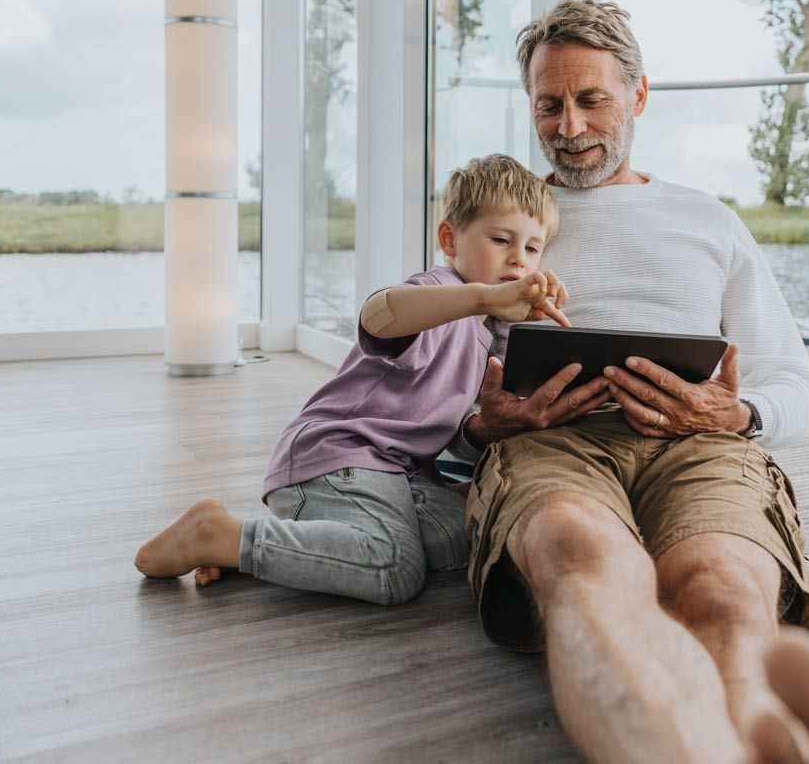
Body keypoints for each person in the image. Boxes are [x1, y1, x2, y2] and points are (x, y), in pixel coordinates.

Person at [457, 0, 809, 763]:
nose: (568, 128)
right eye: (548, 105)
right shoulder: (497, 219)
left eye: (591, 100)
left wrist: (738, 413)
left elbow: (794, 380)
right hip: (551, 447)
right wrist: (482, 423)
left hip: (701, 445)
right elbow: (424, 380)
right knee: (589, 570)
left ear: (639, 95)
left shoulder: (706, 219)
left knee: (720, 589)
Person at [133, 154, 594, 606]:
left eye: (532, 249)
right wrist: (484, 297)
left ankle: (267, 548)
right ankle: (217, 535)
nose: (518, 260)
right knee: (395, 568)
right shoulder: (436, 292)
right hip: (337, 455)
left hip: (397, 473)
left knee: (472, 534)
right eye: (501, 240)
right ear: (450, 239)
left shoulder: (489, 333)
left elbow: (452, 430)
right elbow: (378, 316)